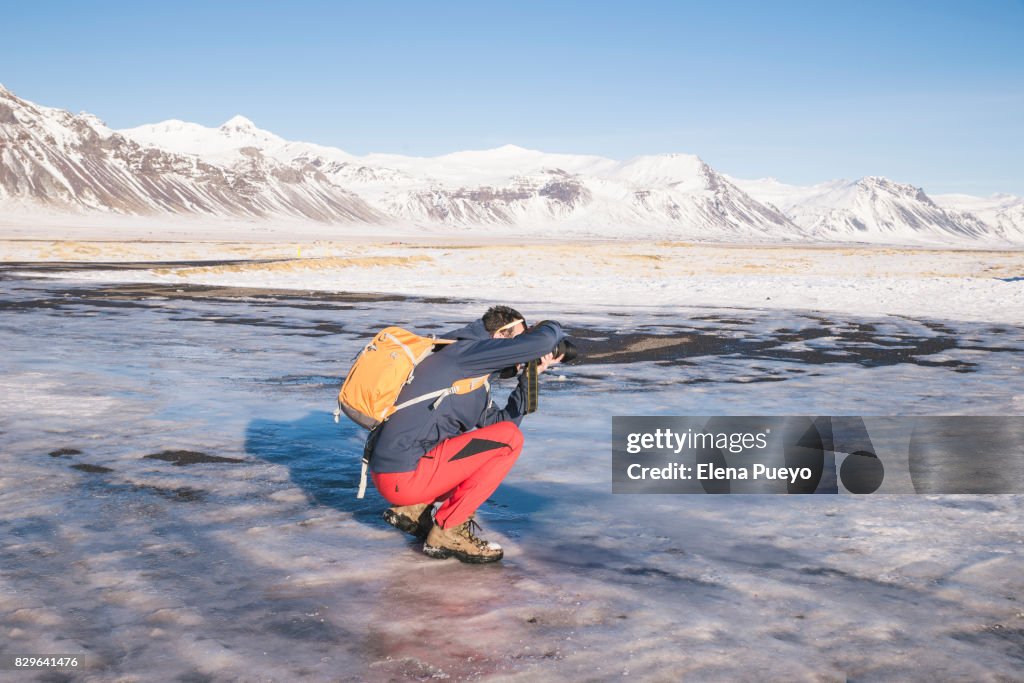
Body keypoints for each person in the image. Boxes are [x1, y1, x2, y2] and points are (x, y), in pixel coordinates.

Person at [367, 306, 565, 563]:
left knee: (505, 438)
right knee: (511, 441)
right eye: (521, 336)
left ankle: (416, 510)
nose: (524, 346)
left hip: (397, 474)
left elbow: (503, 425)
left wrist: (529, 377)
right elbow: (544, 341)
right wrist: (550, 326)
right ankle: (450, 528)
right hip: (404, 477)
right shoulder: (465, 354)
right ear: (501, 334)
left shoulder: (471, 374)